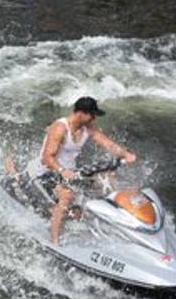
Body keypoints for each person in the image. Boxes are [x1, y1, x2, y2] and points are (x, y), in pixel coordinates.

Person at [26, 97, 136, 246]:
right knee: (67, 196)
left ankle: (123, 222)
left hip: (70, 173)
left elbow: (108, 144)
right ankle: (54, 241)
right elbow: (47, 158)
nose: (94, 118)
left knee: (107, 178)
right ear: (81, 113)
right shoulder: (60, 128)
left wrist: (125, 154)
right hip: (47, 173)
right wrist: (62, 170)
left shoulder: (89, 127)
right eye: (92, 114)